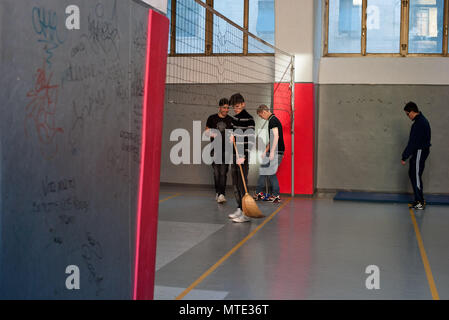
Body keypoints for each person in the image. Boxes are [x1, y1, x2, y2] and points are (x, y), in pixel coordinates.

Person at [227, 93, 256, 223]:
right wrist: (231, 136)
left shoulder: (249, 119)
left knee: (242, 183)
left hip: (242, 156)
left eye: (238, 106)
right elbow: (233, 132)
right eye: (234, 107)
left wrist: (244, 155)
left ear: (243, 104)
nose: (236, 109)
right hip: (234, 154)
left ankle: (246, 213)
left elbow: (250, 139)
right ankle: (239, 208)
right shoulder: (234, 118)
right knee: (235, 184)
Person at [401, 101, 431, 210]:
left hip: (420, 152)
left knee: (416, 175)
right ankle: (418, 200)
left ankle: (420, 201)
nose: (407, 116)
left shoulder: (420, 123)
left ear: (413, 112)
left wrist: (405, 156)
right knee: (413, 173)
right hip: (419, 151)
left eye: (407, 114)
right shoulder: (420, 121)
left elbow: (413, 142)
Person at [254, 105, 284, 203]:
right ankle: (259, 192)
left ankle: (276, 195)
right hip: (274, 150)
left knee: (271, 173)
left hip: (276, 151)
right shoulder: (272, 120)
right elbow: (272, 139)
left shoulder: (273, 121)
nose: (262, 118)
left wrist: (271, 152)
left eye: (261, 116)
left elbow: (276, 137)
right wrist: (266, 151)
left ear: (264, 112)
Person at [205, 98, 233, 203]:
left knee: (223, 173)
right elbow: (206, 131)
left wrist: (233, 137)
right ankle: (218, 192)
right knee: (216, 173)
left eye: (227, 108)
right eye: (224, 108)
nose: (226, 110)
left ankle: (222, 194)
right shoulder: (212, 118)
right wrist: (213, 134)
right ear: (219, 107)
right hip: (214, 149)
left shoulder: (231, 120)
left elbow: (233, 134)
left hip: (227, 150)